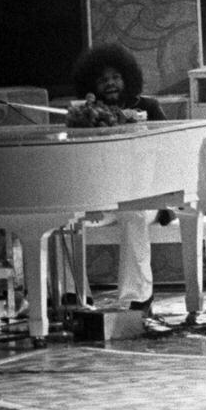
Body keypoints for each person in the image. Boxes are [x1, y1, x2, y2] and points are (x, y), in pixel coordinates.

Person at [69, 43, 167, 311]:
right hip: (103, 199)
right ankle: (74, 296)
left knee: (133, 214)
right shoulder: (85, 115)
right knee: (63, 217)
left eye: (115, 77)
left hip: (147, 198)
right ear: (92, 85)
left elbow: (168, 153)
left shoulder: (148, 106)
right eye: (102, 80)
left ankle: (136, 298)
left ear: (127, 78)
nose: (110, 84)